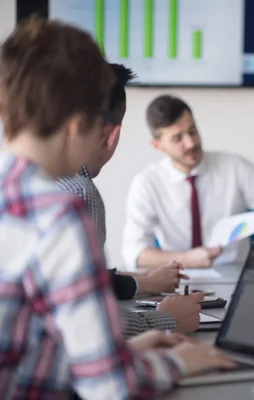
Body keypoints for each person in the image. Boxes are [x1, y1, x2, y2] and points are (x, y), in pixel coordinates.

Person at [0, 18, 234, 398]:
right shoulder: (59, 213)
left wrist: (123, 351)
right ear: (78, 125)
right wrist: (177, 362)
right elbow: (109, 388)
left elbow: (24, 346)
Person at [56, 64, 204, 337]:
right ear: (112, 133)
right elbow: (90, 323)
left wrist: (141, 283)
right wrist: (166, 320)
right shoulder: (79, 192)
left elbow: (65, 288)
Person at [121, 95, 254, 270]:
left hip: (235, 278)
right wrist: (187, 259)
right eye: (178, 138)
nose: (191, 142)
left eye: (193, 131)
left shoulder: (234, 166)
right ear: (157, 146)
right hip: (176, 281)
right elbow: (134, 253)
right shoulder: (147, 184)